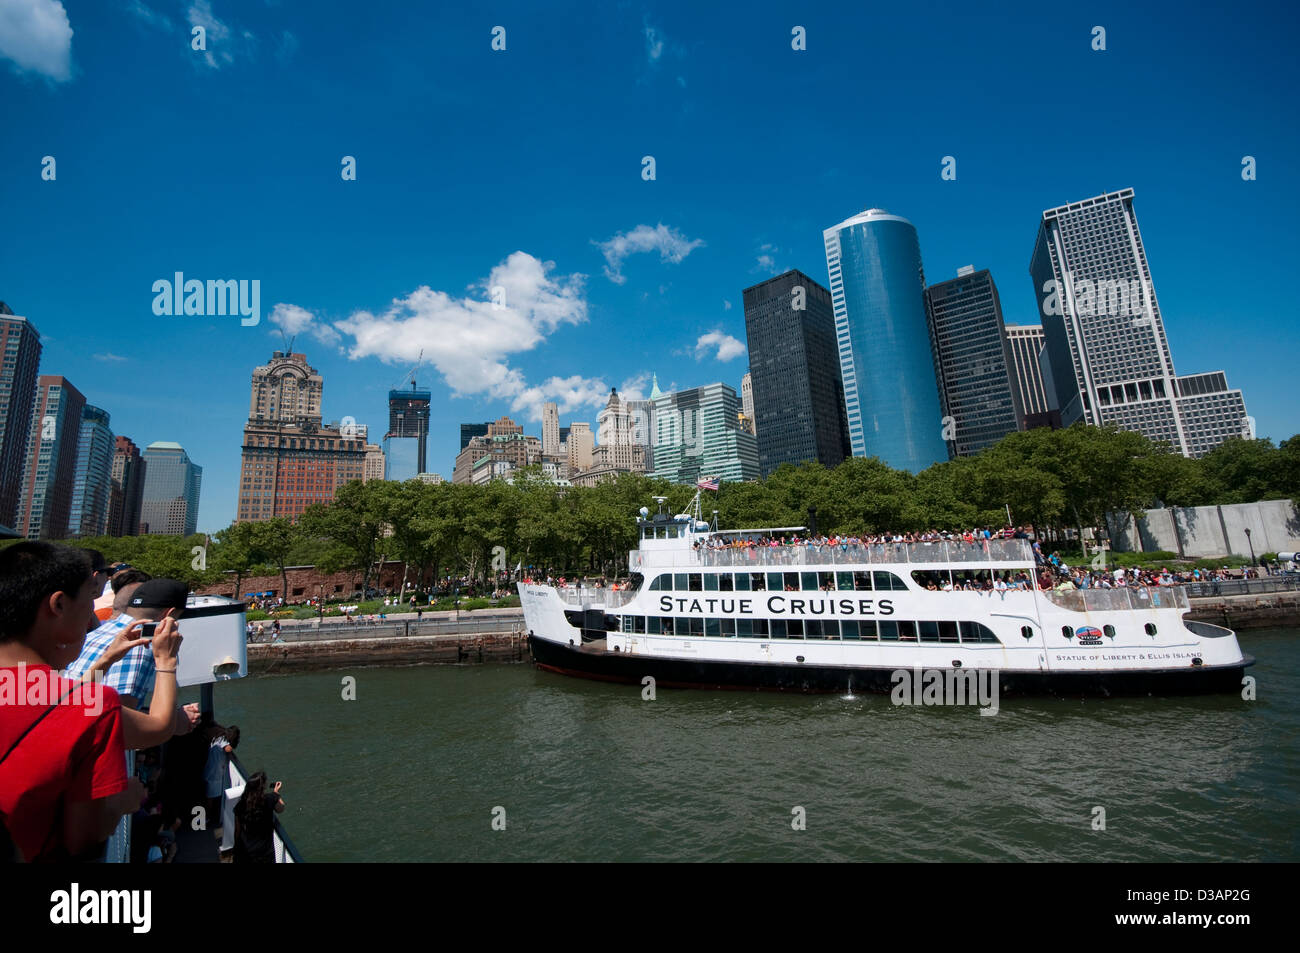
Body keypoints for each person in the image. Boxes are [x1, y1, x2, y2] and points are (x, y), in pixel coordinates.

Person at [0, 542, 145, 862]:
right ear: (59, 605)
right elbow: (85, 838)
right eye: (88, 604)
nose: (91, 619)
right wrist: (124, 800)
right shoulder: (92, 704)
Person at [233, 772, 284, 863]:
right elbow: (281, 808)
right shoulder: (269, 799)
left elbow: (237, 830)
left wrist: (236, 847)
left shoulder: (241, 805)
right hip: (264, 851)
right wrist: (276, 793)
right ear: (262, 787)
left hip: (246, 851)